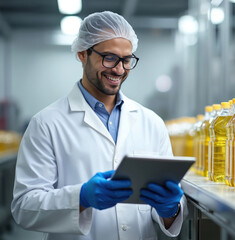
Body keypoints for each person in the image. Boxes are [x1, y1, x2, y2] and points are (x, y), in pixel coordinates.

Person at [11, 11, 187, 240]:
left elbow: (166, 205)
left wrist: (170, 210)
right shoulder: (46, 123)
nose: (119, 69)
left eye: (126, 60)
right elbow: (24, 207)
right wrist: (81, 198)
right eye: (110, 58)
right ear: (83, 54)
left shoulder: (151, 123)